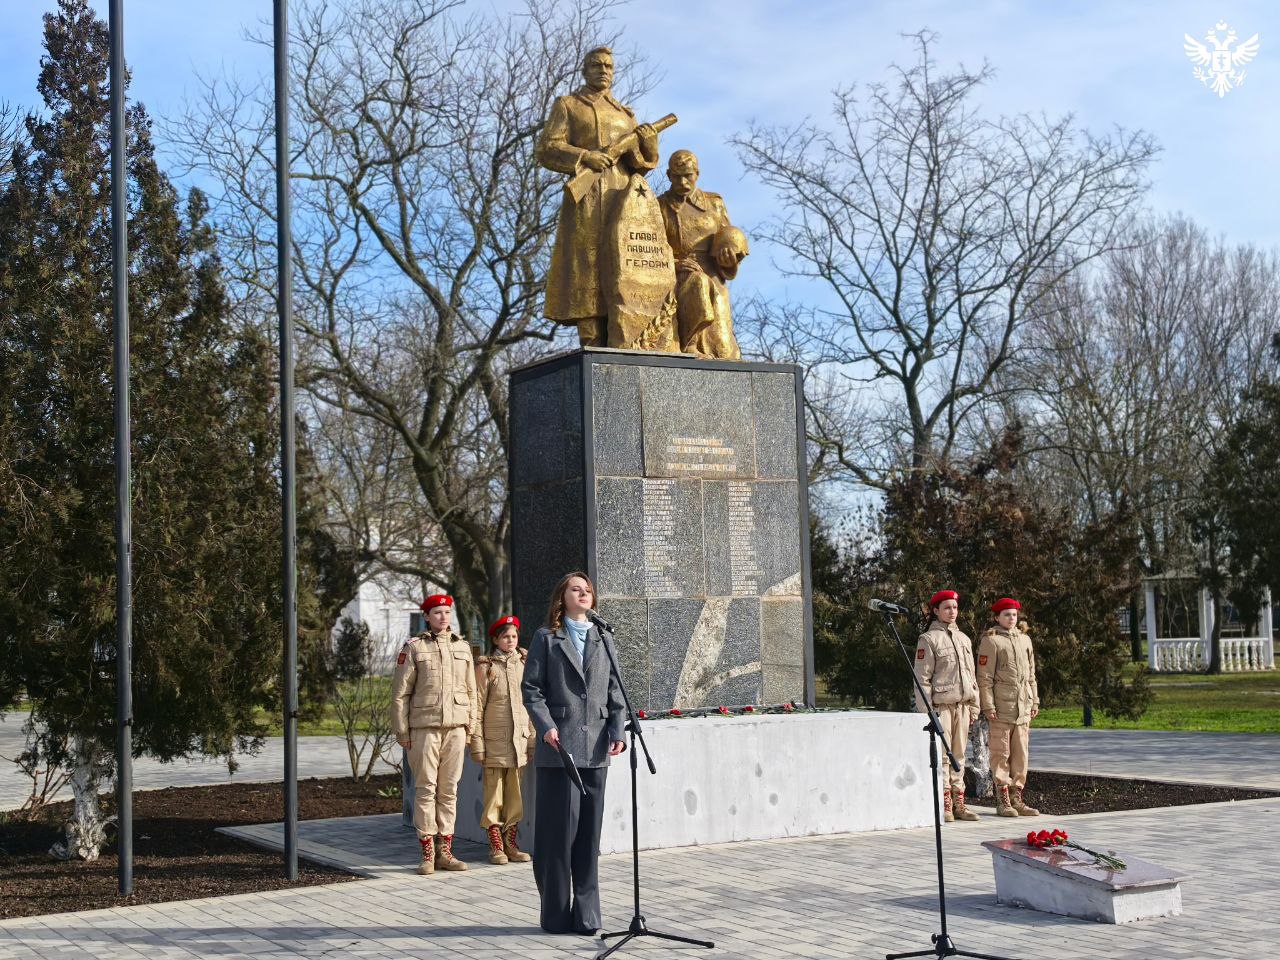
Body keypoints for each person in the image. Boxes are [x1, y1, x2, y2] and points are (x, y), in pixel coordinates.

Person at [521, 571, 626, 935]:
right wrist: (546, 725)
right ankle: (554, 916)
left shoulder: (603, 636)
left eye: (587, 590)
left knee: (588, 839)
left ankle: (586, 916)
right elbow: (531, 689)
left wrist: (617, 731)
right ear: (562, 597)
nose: (583, 594)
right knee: (556, 839)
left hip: (596, 748)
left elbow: (615, 691)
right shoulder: (546, 638)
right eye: (575, 589)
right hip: (559, 749)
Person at [536, 46, 659, 346]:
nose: (603, 70)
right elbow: (547, 148)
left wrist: (650, 146)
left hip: (622, 196)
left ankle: (623, 335)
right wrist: (584, 157)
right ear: (584, 71)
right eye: (596, 65)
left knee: (622, 262)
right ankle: (591, 340)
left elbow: (638, 164)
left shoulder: (626, 115)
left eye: (608, 66)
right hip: (588, 196)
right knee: (588, 265)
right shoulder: (568, 105)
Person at [391, 593, 479, 875]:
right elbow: (400, 694)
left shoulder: (462, 647)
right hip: (424, 729)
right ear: (427, 617)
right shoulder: (414, 648)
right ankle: (427, 853)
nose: (443, 617)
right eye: (437, 612)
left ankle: (445, 852)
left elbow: (472, 691)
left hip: (456, 728)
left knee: (449, 790)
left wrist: (471, 727)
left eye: (447, 612)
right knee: (426, 788)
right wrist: (402, 731)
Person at [657, 149, 748, 359]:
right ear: (669, 175)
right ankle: (689, 345)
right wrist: (674, 264)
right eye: (677, 177)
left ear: (697, 174)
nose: (683, 182)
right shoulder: (659, 206)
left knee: (724, 351)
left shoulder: (714, 203)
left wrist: (730, 260)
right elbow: (652, 250)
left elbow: (728, 238)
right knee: (698, 282)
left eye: (688, 175)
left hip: (714, 275)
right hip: (679, 276)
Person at [471, 614, 537, 865]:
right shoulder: (486, 667)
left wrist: (531, 741)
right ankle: (496, 846)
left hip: (519, 742)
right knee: (494, 796)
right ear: (495, 640)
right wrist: (477, 744)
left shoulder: (525, 664)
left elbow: (531, 705)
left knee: (515, 797)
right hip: (494, 743)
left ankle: (511, 843)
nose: (510, 640)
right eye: (505, 636)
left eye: (514, 636)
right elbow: (477, 707)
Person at [913, 589, 981, 823]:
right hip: (941, 707)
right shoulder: (928, 639)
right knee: (943, 756)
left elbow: (971, 675)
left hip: (962, 706)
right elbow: (922, 679)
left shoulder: (964, 639)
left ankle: (959, 802)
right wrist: (927, 712)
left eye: (955, 607)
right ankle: (945, 805)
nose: (952, 612)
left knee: (959, 756)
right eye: (947, 608)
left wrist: (974, 706)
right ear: (936, 611)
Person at [976, 597, 1041, 818]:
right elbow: (984, 678)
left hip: (1023, 708)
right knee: (1000, 753)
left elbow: (1031, 675)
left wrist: (1034, 700)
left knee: (1021, 755)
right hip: (1001, 708)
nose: (1011, 618)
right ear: (997, 617)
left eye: (1014, 614)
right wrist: (988, 706)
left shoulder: (1025, 640)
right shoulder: (991, 641)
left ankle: (1017, 798)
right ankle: (1003, 800)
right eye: (1006, 615)